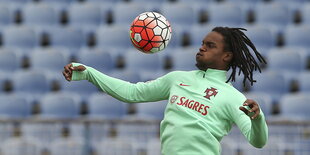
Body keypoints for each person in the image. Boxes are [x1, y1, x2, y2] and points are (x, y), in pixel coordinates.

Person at [63, 27, 268, 155]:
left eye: (210, 45)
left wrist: (256, 119)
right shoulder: (177, 78)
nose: (202, 48)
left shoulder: (233, 97)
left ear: (226, 56)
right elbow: (131, 93)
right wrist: (89, 73)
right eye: (202, 44)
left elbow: (257, 141)